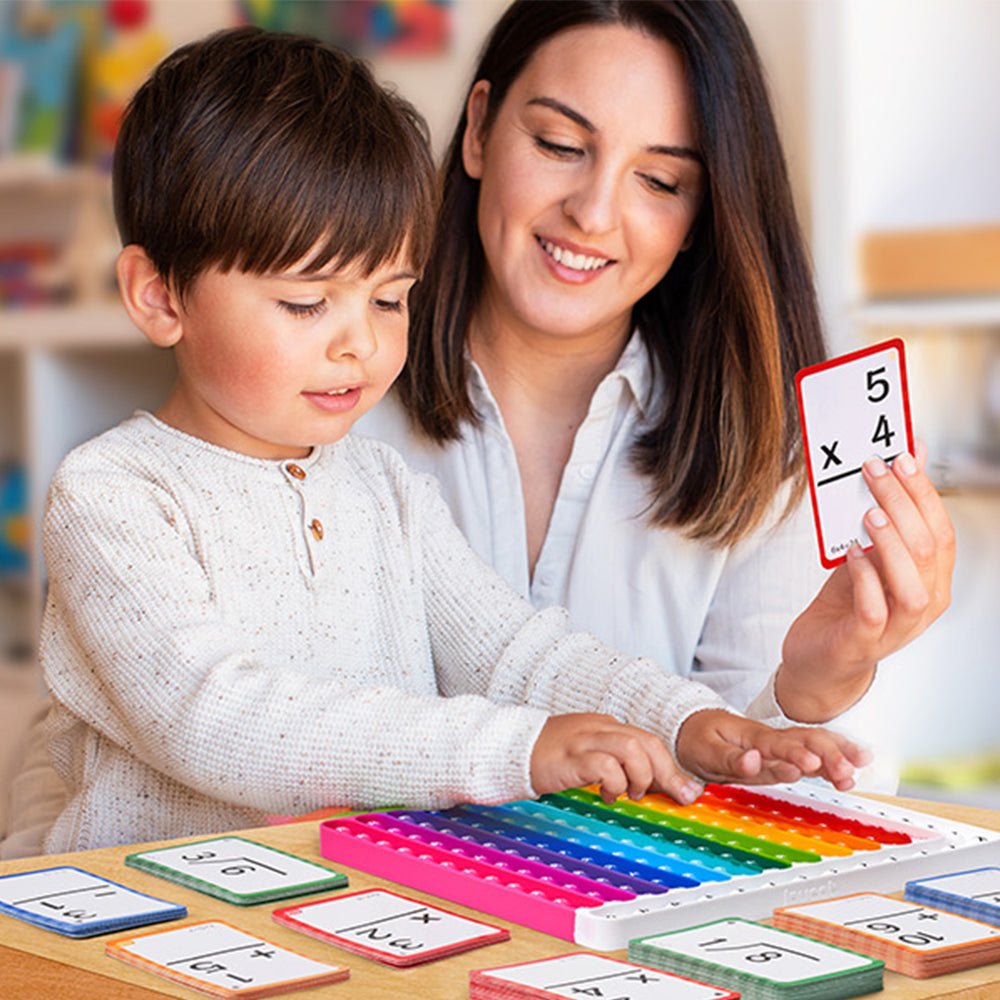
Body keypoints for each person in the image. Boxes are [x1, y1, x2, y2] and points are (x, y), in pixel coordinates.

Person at [6, 26, 867, 857]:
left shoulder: (381, 486)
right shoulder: (115, 494)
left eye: (389, 299)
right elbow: (222, 721)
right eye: (308, 304)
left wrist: (680, 719)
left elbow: (514, 651)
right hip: (145, 937)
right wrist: (517, 749)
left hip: (334, 922)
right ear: (158, 297)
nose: (361, 344)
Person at [357, 0, 955, 791]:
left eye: (661, 180)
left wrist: (814, 687)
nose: (594, 212)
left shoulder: (759, 442)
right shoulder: (334, 391)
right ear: (477, 131)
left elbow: (754, 804)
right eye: (560, 144)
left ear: (701, 214)